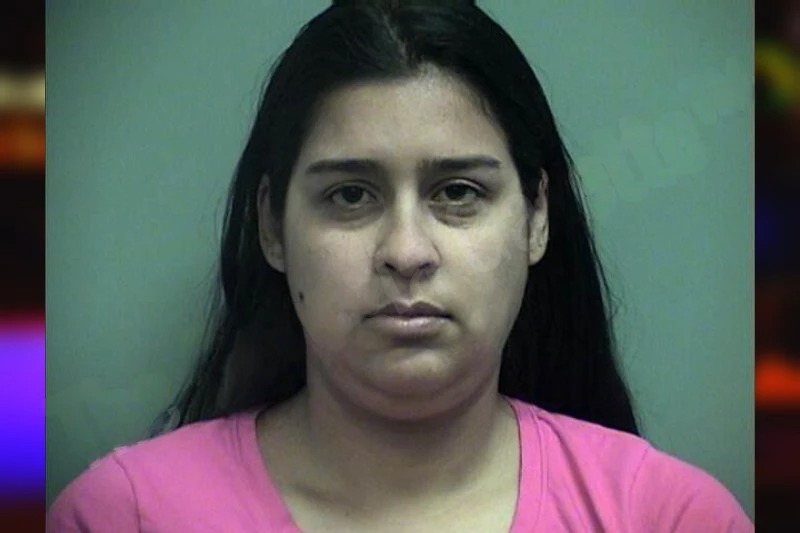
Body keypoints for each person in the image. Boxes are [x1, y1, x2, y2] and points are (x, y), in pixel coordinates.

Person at [47, 1, 753, 531]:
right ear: (272, 226)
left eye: (458, 192)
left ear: (537, 217)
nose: (407, 251)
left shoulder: (667, 516)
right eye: (351, 195)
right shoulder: (123, 515)